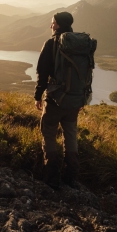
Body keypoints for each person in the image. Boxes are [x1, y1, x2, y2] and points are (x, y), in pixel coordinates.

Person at [34, 11, 82, 190]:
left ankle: (52, 176)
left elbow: (42, 72)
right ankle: (71, 176)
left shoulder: (52, 43)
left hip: (55, 99)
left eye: (53, 23)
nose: (51, 25)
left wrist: (38, 95)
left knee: (48, 133)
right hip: (74, 100)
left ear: (59, 25)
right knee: (70, 134)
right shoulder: (79, 45)